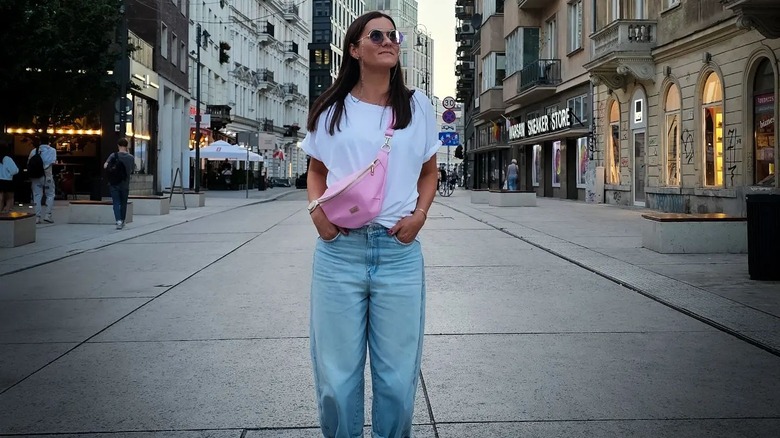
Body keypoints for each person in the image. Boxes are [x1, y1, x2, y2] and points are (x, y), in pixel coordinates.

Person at [301, 11, 439, 438]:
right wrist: (318, 215)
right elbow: (316, 171)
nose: (388, 41)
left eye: (393, 35)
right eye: (376, 35)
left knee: (397, 379)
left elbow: (429, 172)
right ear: (355, 49)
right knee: (336, 380)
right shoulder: (332, 108)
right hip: (339, 253)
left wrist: (420, 216)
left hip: (397, 252)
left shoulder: (417, 106)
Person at [103, 138, 135, 229]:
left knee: (116, 202)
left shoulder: (113, 155)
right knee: (124, 203)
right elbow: (132, 170)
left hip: (114, 183)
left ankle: (118, 221)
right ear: (127, 146)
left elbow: (105, 166)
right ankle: (123, 220)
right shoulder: (131, 157)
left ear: (118, 145)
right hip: (125, 183)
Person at [27, 135, 57, 224]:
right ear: (49, 142)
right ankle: (48, 215)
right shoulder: (52, 151)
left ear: (40, 142)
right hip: (47, 176)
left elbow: (29, 163)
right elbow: (53, 162)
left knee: (37, 195)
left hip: (36, 176)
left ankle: (37, 217)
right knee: (50, 194)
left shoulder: (34, 151)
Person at [0, 140, 19, 212]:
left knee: (1, 198)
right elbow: (14, 170)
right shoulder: (7, 159)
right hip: (8, 181)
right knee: (9, 198)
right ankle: (7, 213)